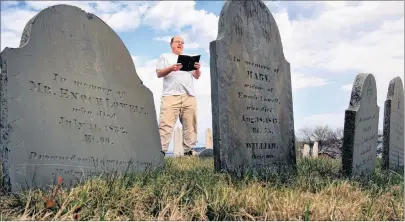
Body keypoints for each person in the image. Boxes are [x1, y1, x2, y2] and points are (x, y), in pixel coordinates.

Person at [155, 36, 201, 156]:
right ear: (171, 44)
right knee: (165, 124)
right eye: (177, 42)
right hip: (170, 96)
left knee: (190, 125)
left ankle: (188, 152)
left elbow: (196, 76)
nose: (180, 44)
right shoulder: (165, 56)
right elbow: (159, 73)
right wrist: (171, 68)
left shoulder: (189, 59)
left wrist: (197, 69)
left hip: (189, 96)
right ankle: (161, 153)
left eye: (182, 42)